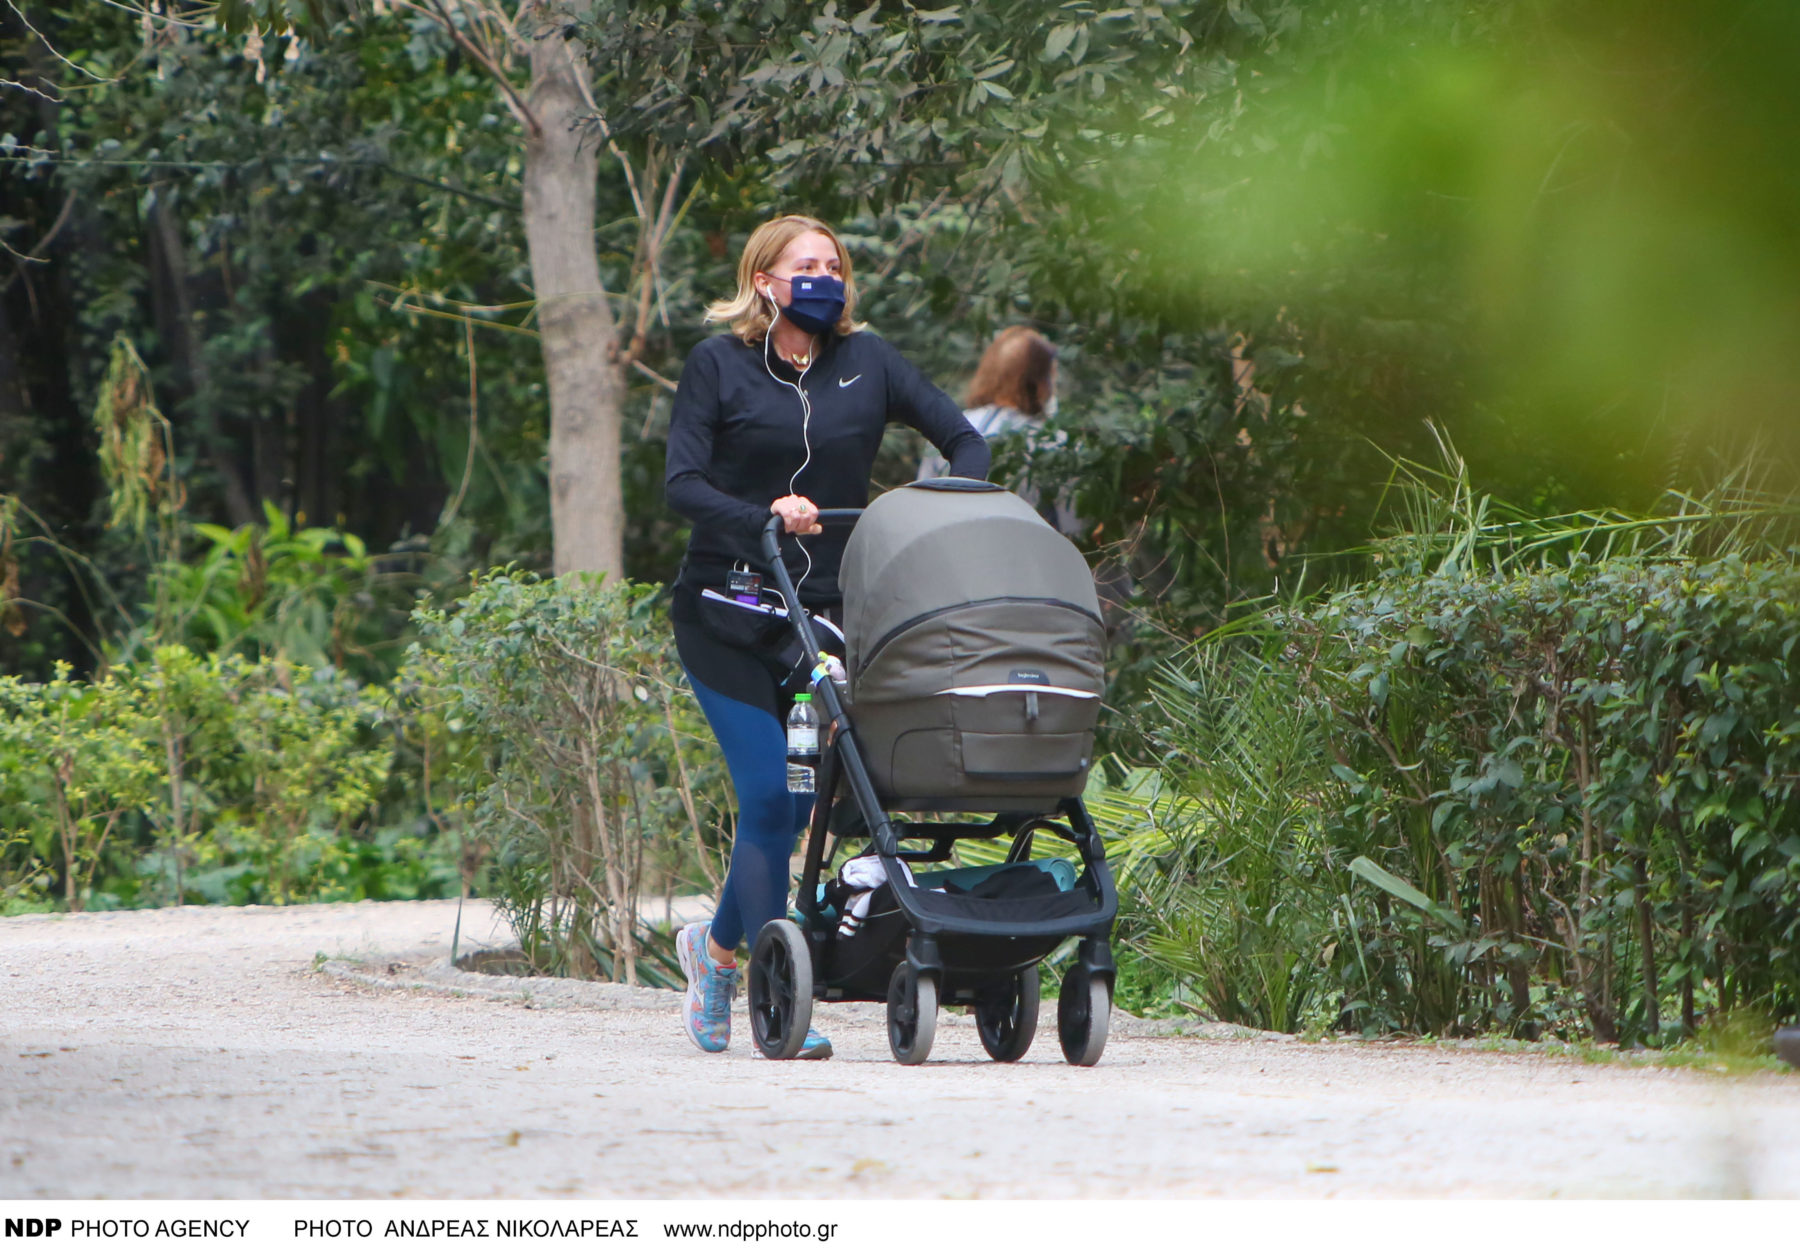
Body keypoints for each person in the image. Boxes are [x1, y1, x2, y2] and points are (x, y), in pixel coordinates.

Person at [664, 213, 990, 1058]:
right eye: (804, 264)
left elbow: (962, 438)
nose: (824, 275)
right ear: (763, 280)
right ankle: (770, 988)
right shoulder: (719, 365)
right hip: (729, 616)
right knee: (769, 799)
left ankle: (715, 950)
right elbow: (683, 483)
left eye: (834, 264)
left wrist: (944, 519)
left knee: (802, 806)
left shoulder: (868, 361)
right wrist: (761, 515)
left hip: (824, 623)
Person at [918, 325, 1075, 534]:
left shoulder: (948, 428)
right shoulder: (1053, 443)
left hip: (950, 555)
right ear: (1039, 382)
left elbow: (920, 509)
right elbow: (1075, 532)